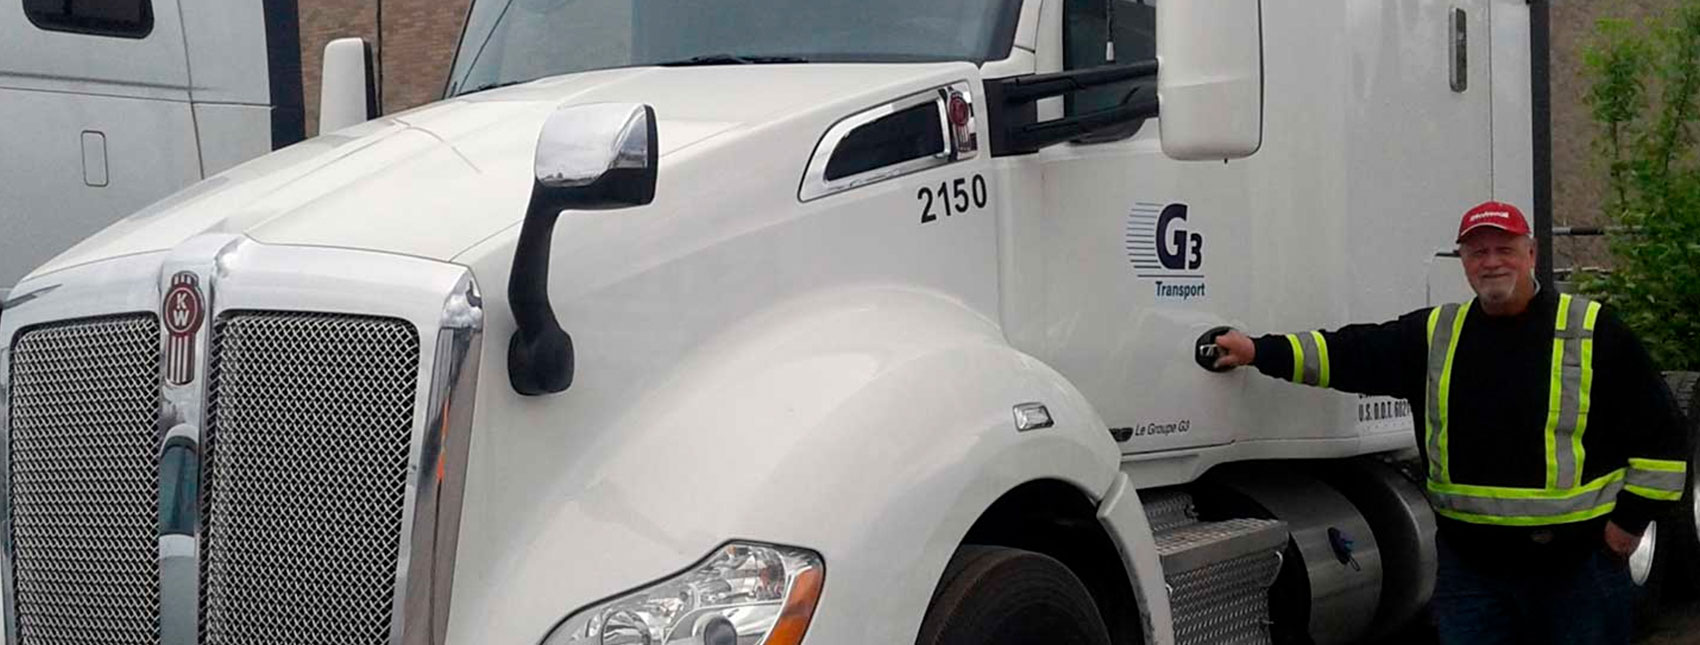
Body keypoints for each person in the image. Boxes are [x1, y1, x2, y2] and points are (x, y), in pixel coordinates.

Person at [1209, 201, 1689, 644]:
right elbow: (1349, 352)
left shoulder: (1592, 330)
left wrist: (1629, 525)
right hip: (1474, 571)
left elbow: (1661, 437)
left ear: (1531, 253)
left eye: (1505, 248)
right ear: (1463, 261)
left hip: (1577, 569)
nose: (1492, 261)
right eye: (1478, 251)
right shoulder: (1437, 333)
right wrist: (1257, 351)